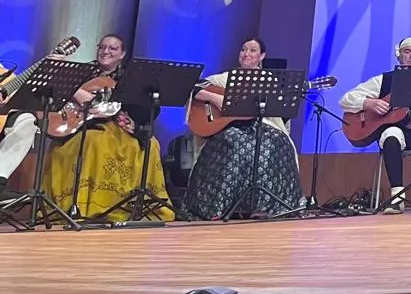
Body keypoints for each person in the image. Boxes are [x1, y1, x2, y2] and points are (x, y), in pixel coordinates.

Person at [43, 34, 175, 220]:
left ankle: (129, 204)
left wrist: (136, 124)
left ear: (122, 54)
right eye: (102, 47)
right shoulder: (84, 72)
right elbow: (52, 87)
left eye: (113, 48)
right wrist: (75, 91)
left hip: (117, 127)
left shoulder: (131, 78)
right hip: (83, 127)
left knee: (151, 144)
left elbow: (145, 109)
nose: (106, 51)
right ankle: (84, 206)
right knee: (94, 141)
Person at [184, 37, 304, 219]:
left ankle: (267, 206)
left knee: (277, 142)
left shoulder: (268, 81)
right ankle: (218, 206)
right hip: (229, 129)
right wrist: (216, 98)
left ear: (262, 56)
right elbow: (192, 89)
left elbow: (280, 113)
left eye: (253, 50)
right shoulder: (224, 79)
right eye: (243, 49)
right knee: (232, 141)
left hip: (263, 127)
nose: (246, 54)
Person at [338, 37, 411, 213]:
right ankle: (397, 197)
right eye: (407, 52)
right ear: (398, 55)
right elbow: (345, 100)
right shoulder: (383, 80)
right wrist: (368, 103)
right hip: (397, 134)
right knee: (391, 133)